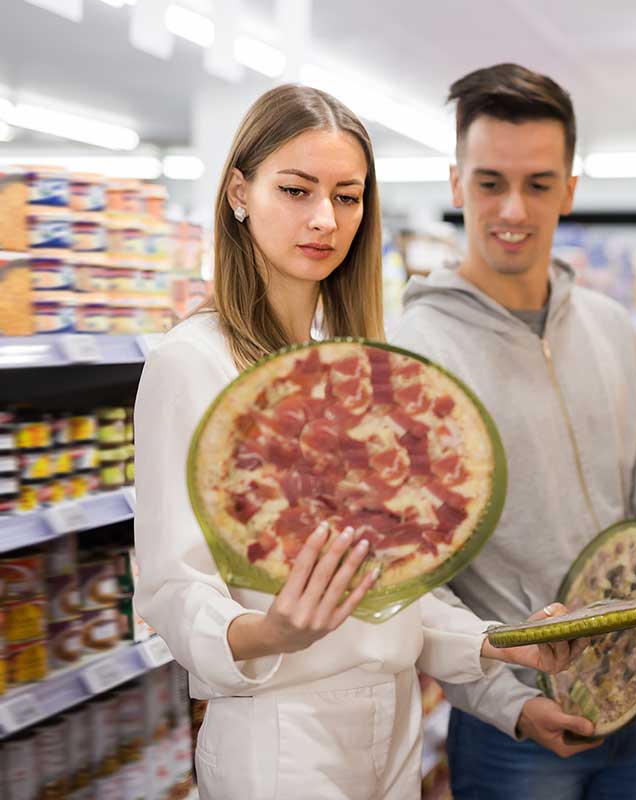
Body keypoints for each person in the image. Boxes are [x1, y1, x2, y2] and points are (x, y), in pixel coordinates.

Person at [133, 83, 581, 800]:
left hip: (395, 721)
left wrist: (501, 641)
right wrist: (271, 630)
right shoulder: (193, 362)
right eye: (296, 189)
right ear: (239, 194)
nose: (324, 218)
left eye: (347, 196)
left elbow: (394, 592)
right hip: (281, 734)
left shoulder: (353, 366)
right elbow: (170, 586)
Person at [389, 63, 636, 800]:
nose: (514, 208)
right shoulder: (414, 354)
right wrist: (508, 704)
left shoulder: (607, 326)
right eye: (489, 182)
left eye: (539, 183)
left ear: (570, 188)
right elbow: (418, 581)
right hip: (518, 728)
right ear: (455, 184)